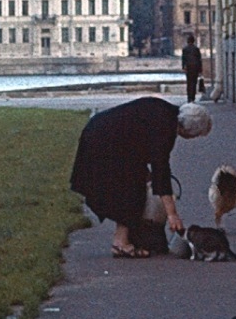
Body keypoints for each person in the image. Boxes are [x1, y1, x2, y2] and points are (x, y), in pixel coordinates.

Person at [70, 96, 212, 258]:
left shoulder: (165, 110)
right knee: (132, 189)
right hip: (102, 144)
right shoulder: (165, 129)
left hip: (98, 133)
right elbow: (161, 171)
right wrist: (172, 214)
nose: (192, 139)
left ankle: (123, 239)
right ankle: (120, 243)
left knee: (135, 183)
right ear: (188, 130)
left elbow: (139, 146)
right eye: (196, 135)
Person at [181, 34, 204, 103]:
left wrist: (183, 67)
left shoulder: (185, 49)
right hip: (195, 68)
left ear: (188, 41)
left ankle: (189, 97)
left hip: (188, 68)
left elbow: (183, 59)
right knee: (194, 83)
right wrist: (200, 70)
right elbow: (199, 59)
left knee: (189, 83)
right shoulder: (196, 49)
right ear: (193, 41)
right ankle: (193, 98)